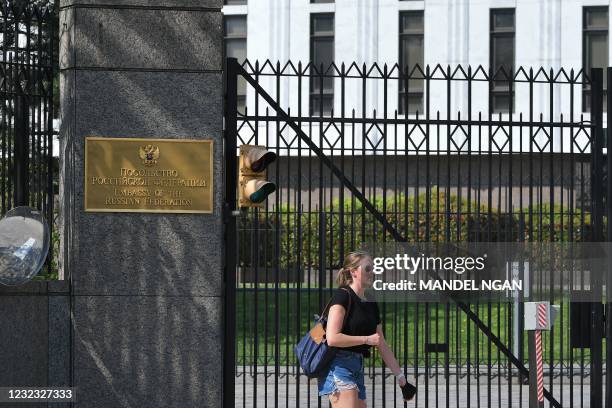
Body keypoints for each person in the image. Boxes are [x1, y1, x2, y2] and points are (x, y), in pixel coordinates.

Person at [318, 250, 414, 407]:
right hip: (339, 366)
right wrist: (366, 339)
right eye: (368, 268)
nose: (372, 272)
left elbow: (381, 343)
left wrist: (401, 378)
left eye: (373, 268)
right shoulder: (342, 296)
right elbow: (332, 338)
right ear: (353, 271)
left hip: (357, 367)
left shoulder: (370, 300)